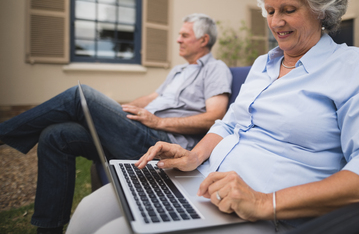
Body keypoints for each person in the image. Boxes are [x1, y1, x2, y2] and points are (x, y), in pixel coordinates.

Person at [67, 0, 359, 234]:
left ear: (321, 10)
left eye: (288, 10)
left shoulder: (354, 65)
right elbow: (229, 124)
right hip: (204, 183)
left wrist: (266, 201)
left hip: (261, 212)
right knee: (86, 214)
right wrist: (193, 157)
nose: (275, 22)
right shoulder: (264, 63)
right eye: (270, 11)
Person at [0, 13, 233, 234]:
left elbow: (214, 116)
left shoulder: (216, 69)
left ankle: (4, 134)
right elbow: (150, 99)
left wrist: (158, 121)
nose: (177, 39)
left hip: (159, 144)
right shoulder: (178, 71)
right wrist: (112, 115)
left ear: (203, 40)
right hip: (135, 132)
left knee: (79, 95)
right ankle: (48, 229)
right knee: (55, 135)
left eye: (184, 35)